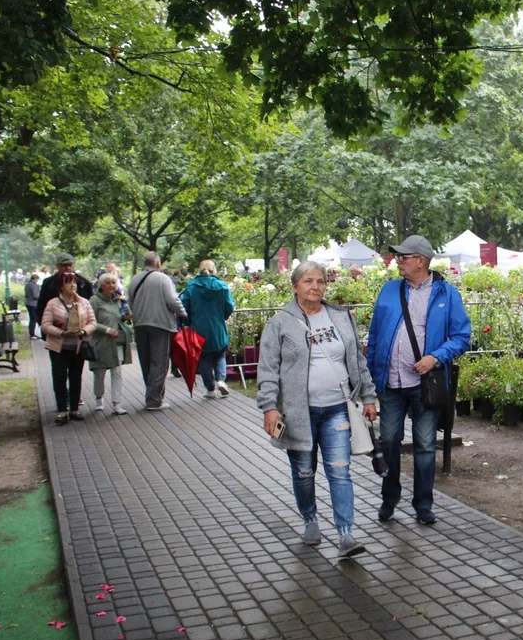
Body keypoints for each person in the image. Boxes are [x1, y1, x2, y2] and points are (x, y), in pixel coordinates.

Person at [256, 261, 377, 558]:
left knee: (340, 471)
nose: (315, 287)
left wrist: (369, 396)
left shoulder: (340, 317)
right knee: (304, 472)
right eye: (308, 281)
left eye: (321, 281)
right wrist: (269, 407)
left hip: (337, 409)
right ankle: (310, 519)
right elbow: (268, 369)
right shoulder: (280, 323)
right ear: (295, 286)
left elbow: (357, 362)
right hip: (298, 413)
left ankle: (346, 534)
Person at [366, 235, 471, 526]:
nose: (398, 261)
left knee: (425, 445)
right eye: (398, 257)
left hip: (424, 385)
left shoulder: (447, 295)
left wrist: (435, 357)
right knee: (389, 441)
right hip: (390, 383)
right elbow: (374, 337)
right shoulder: (389, 290)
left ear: (421, 260)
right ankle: (390, 498)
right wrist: (370, 383)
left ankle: (423, 504)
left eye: (404, 257)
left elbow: (462, 337)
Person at [129, 251, 187, 411]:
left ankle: (153, 395)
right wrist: (183, 313)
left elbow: (131, 300)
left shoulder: (135, 279)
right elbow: (173, 301)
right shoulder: (163, 278)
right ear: (158, 263)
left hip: (140, 324)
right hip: (160, 324)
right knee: (159, 362)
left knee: (146, 361)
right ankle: (154, 400)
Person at [40, 273, 96, 425]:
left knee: (76, 377)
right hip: (59, 347)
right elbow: (45, 325)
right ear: (61, 286)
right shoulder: (53, 303)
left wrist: (84, 331)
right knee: (59, 377)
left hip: (77, 347)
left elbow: (92, 322)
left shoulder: (84, 302)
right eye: (68, 283)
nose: (73, 285)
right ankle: (62, 410)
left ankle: (74, 409)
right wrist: (62, 332)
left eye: (74, 283)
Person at [181, 260, 235, 399]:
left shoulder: (191, 287)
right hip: (218, 328)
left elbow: (184, 307)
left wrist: (188, 321)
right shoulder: (222, 286)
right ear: (213, 270)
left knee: (204, 359)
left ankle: (210, 389)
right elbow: (229, 306)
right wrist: (223, 316)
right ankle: (221, 380)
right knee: (220, 354)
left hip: (199, 329)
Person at [89, 272, 132, 415]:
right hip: (100, 342)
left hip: (116, 342)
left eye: (114, 283)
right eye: (108, 283)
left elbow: (118, 319)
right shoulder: (94, 300)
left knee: (117, 372)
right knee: (99, 372)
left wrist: (126, 318)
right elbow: (90, 321)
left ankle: (117, 403)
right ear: (101, 285)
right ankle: (99, 398)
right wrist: (106, 330)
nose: (112, 286)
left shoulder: (117, 300)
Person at [37, 253, 94, 334]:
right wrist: (46, 326)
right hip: (55, 333)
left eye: (70, 265)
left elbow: (91, 308)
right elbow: (41, 306)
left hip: (80, 333)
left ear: (74, 265)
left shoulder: (84, 283)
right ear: (57, 266)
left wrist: (86, 330)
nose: (68, 268)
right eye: (64, 265)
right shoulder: (48, 283)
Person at [24, 273, 41, 340]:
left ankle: (31, 333)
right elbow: (35, 295)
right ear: (35, 279)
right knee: (34, 319)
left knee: (32, 319)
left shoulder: (27, 285)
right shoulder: (34, 285)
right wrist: (40, 298)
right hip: (33, 304)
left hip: (28, 303)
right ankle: (32, 334)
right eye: (37, 279)